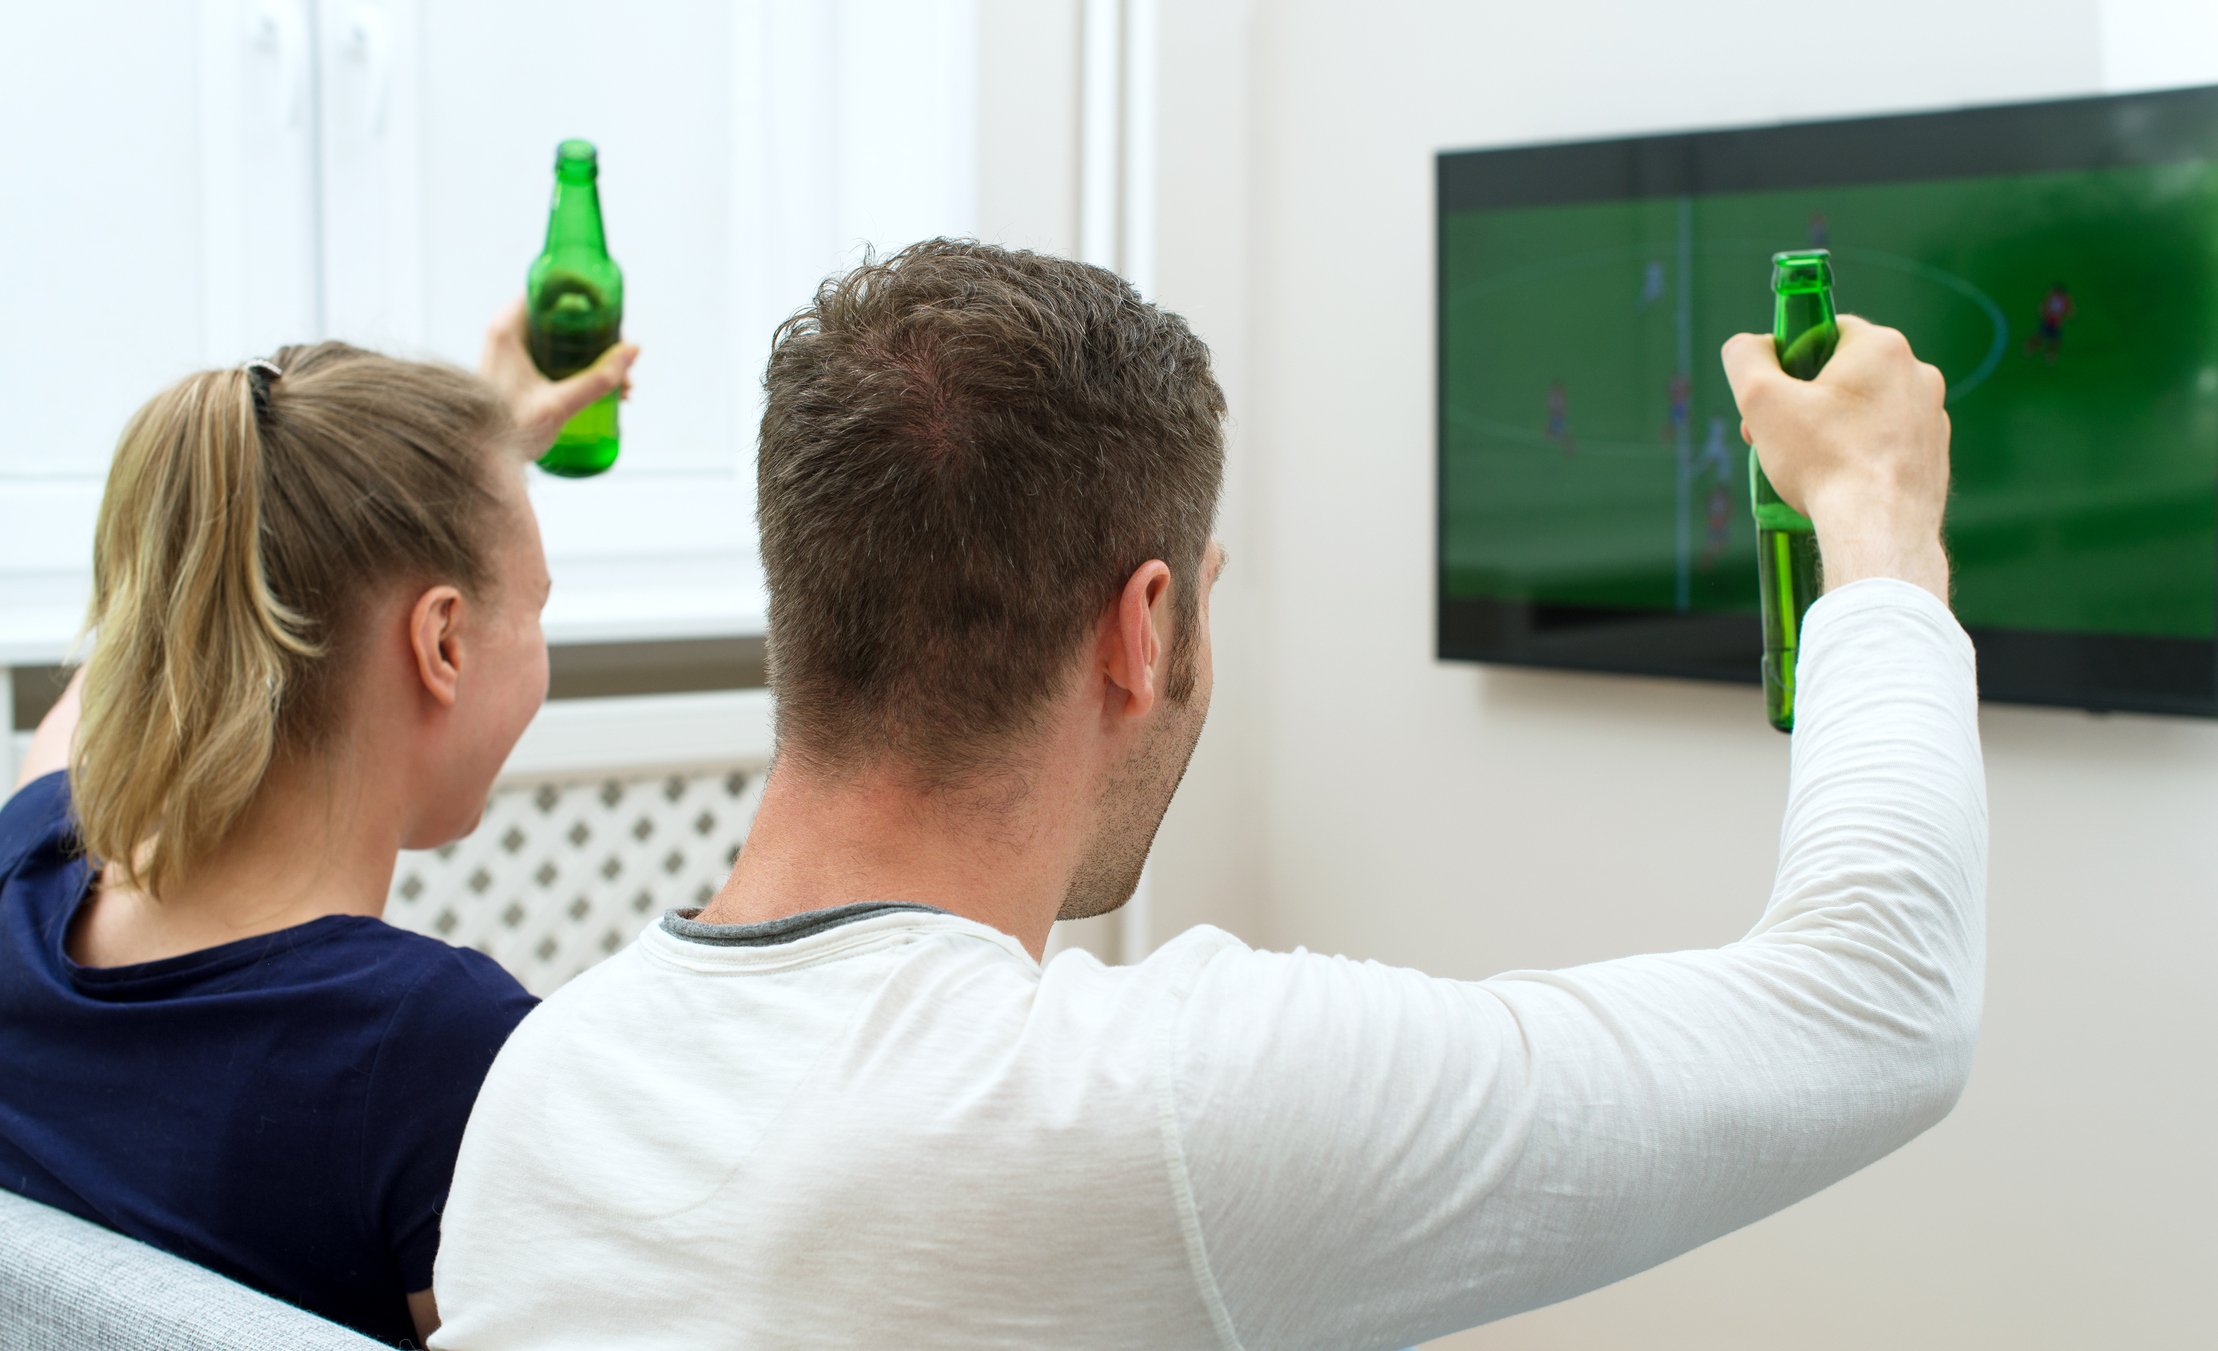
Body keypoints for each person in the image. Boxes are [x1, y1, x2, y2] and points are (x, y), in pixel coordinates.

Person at [430, 241, 1982, 1350]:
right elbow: (1875, 1010)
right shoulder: (1151, 1106)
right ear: (1143, 627)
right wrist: (1875, 520)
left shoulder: (540, 1085)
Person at [0, 308, 636, 1347]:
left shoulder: (20, 874)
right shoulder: (436, 1055)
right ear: (442, 642)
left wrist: (461, 459)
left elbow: (152, 623)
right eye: (536, 606)